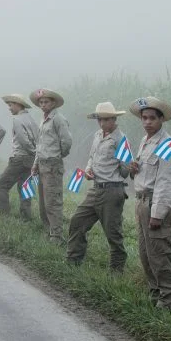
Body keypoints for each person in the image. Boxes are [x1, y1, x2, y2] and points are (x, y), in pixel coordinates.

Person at [131, 96, 171, 309]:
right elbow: (144, 173)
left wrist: (158, 214)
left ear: (161, 119)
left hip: (154, 203)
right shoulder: (145, 142)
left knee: (160, 254)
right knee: (146, 254)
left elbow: (167, 181)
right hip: (141, 201)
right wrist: (133, 170)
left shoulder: (166, 144)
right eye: (144, 118)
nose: (147, 122)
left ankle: (170, 300)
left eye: (152, 118)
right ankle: (155, 294)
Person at [65, 102, 132, 270]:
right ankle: (73, 262)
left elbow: (125, 170)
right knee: (77, 222)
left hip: (112, 191)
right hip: (95, 188)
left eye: (107, 120)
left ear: (114, 119)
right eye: (100, 120)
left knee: (113, 234)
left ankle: (116, 273)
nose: (103, 124)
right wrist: (89, 170)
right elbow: (92, 157)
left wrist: (129, 168)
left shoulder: (120, 140)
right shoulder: (97, 135)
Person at [31, 88, 74, 244]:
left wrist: (57, 155)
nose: (43, 105)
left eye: (46, 102)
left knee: (52, 202)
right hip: (42, 163)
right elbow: (40, 144)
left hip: (52, 164)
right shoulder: (44, 119)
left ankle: (57, 236)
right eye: (41, 102)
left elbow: (67, 141)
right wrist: (35, 164)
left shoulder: (58, 119)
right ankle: (48, 230)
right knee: (43, 201)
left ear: (54, 103)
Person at [0, 94, 38, 219]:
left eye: (11, 105)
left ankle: (3, 215)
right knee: (24, 186)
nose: (9, 108)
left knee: (1, 185)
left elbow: (23, 140)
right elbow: (37, 138)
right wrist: (35, 154)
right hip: (30, 160)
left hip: (19, 158)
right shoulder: (31, 119)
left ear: (18, 105)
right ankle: (26, 216)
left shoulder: (17, 120)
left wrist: (32, 151)